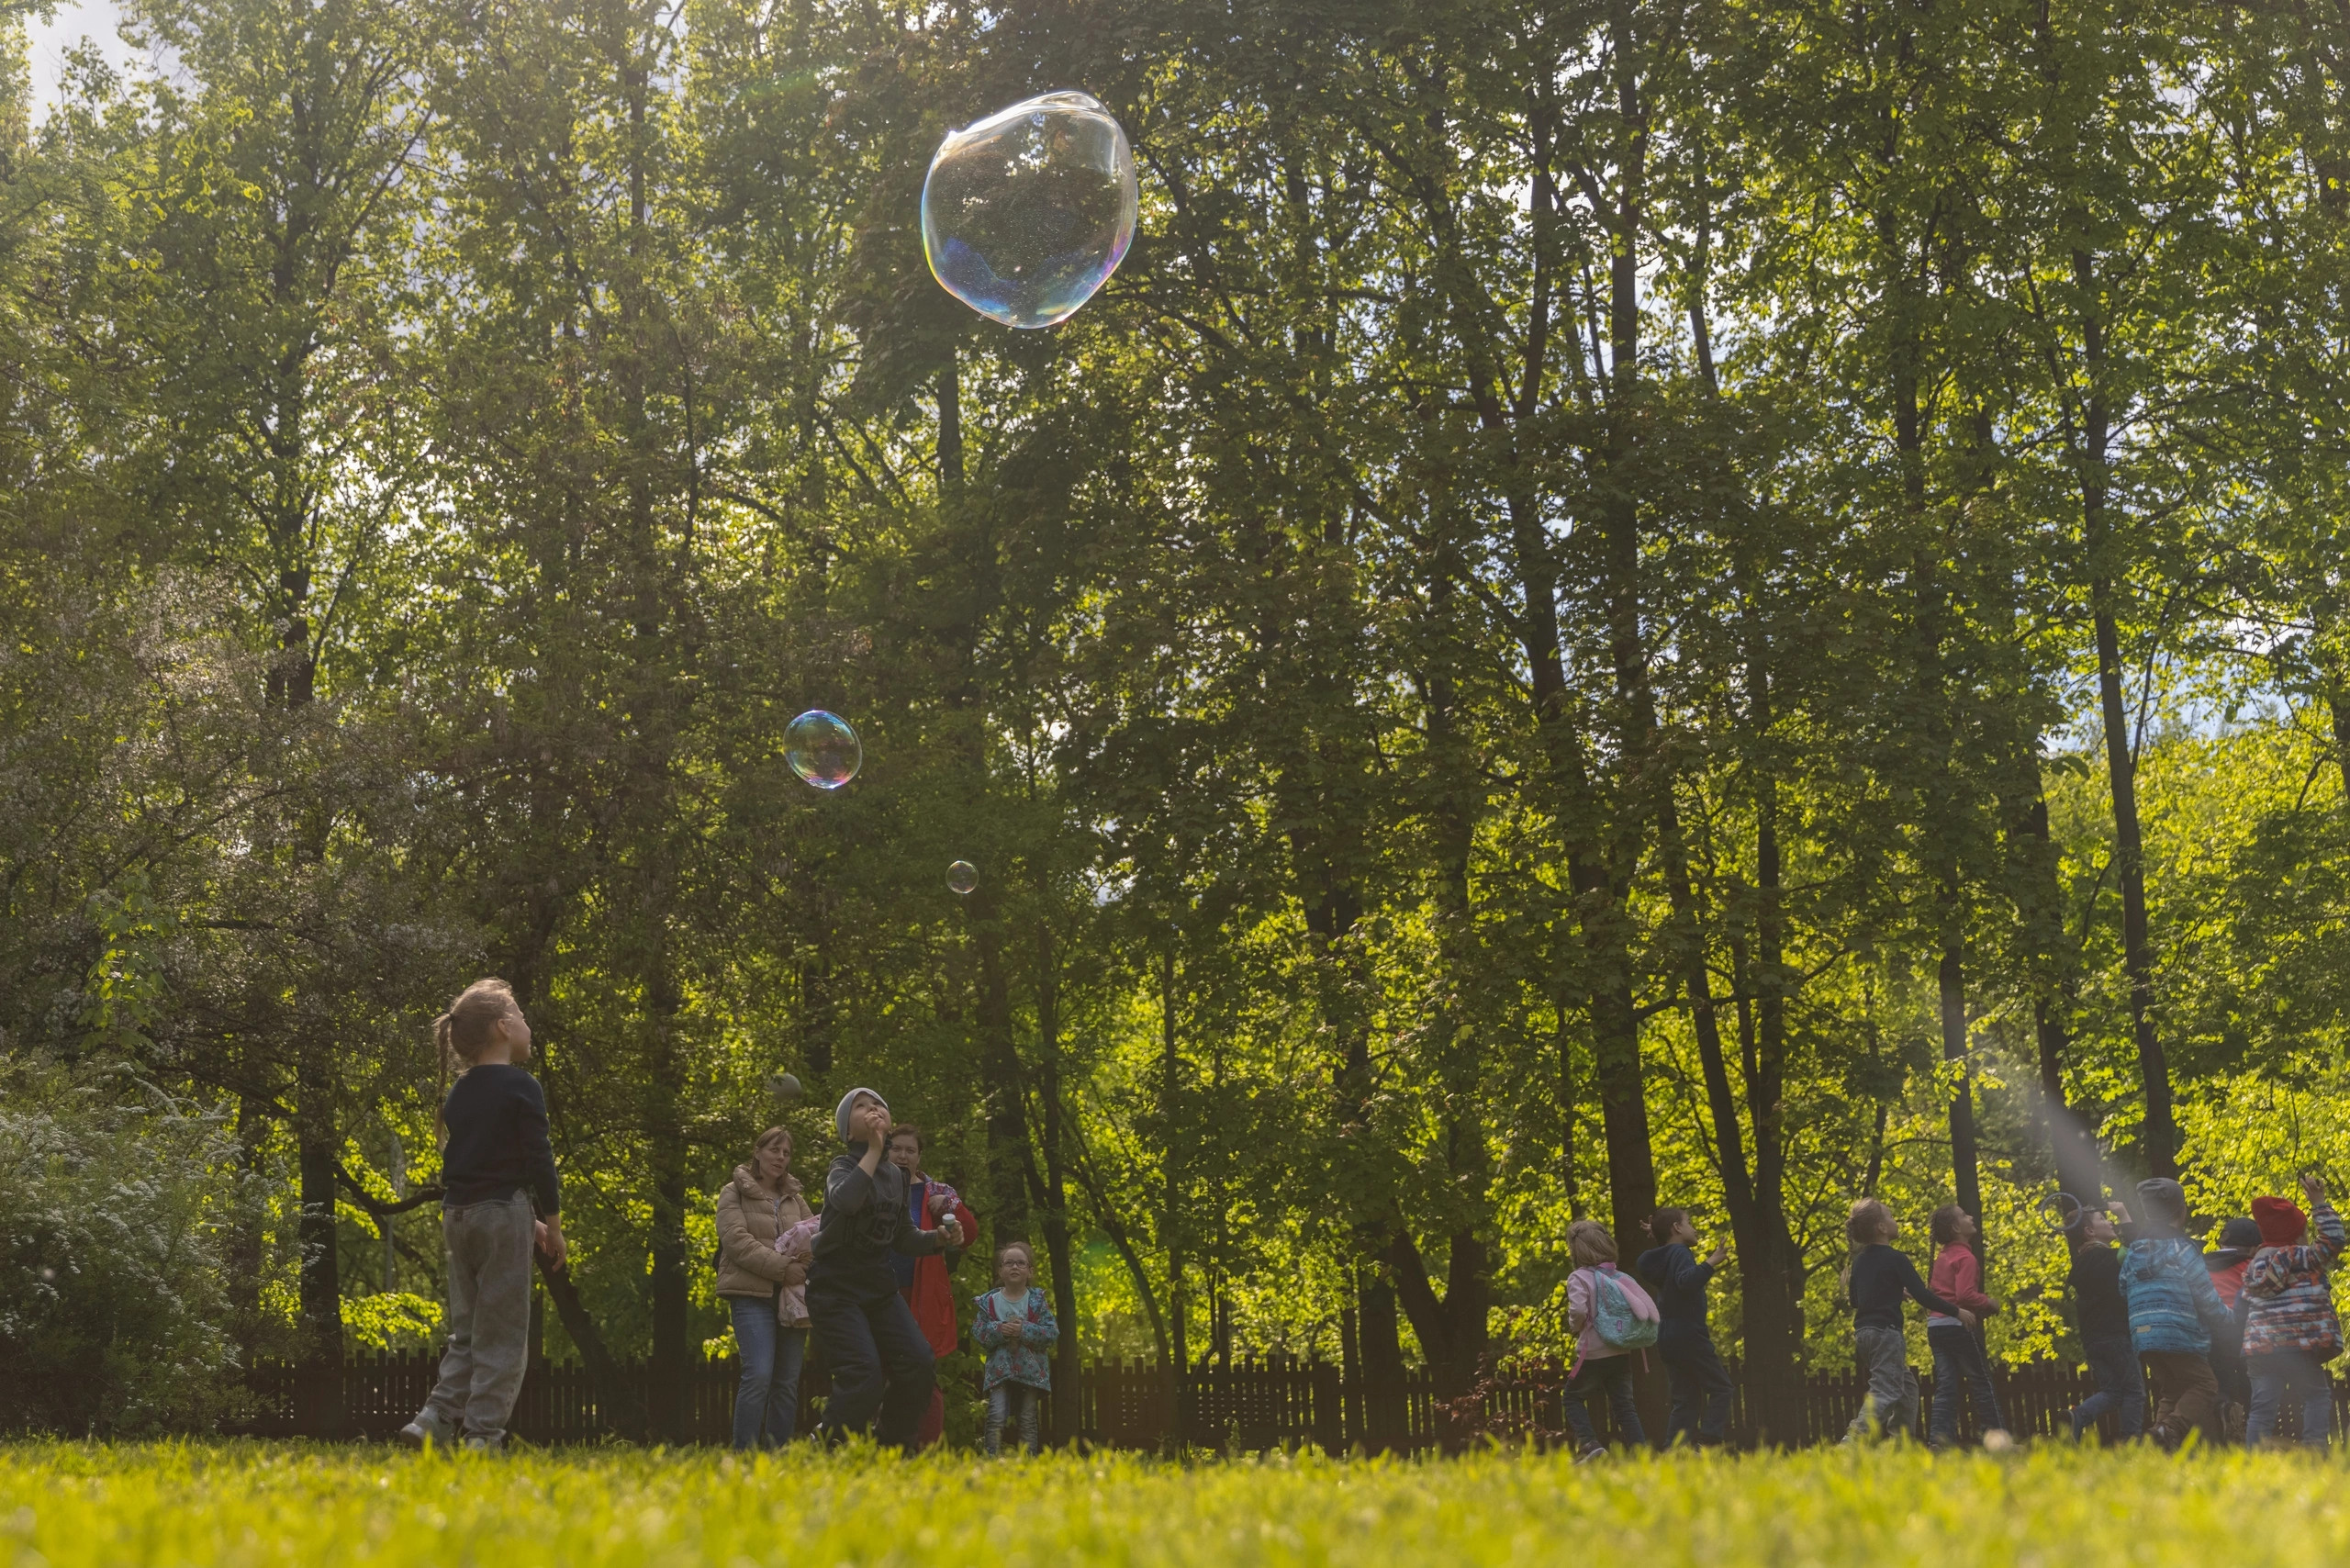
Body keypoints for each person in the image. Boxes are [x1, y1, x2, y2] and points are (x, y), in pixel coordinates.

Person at [399, 979, 565, 1451]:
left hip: (459, 1216)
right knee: (506, 1335)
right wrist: (551, 1224)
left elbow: (479, 1167)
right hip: (501, 1213)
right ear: (503, 1026)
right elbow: (538, 1159)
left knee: (468, 1331)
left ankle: (434, 1417)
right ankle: (482, 1437)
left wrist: (525, 1221)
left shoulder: (460, 1092)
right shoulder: (522, 1086)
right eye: (521, 1015)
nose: (528, 1025)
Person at [805, 1088, 962, 1450]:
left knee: (919, 1363)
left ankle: (891, 1445)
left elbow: (902, 1237)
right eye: (861, 1106)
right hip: (835, 1288)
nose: (872, 1108)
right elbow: (845, 1200)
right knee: (864, 1374)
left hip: (877, 1286)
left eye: (878, 1105)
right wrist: (874, 1151)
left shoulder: (896, 1177)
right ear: (848, 1132)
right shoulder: (842, 1167)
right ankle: (827, 1443)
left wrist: (937, 1239)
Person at [715, 1126, 817, 1450]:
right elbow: (736, 1242)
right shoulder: (733, 1192)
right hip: (750, 1295)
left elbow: (816, 1238)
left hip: (792, 1299)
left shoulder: (795, 1198)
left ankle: (777, 1456)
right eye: (774, 1150)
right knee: (758, 1374)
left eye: (786, 1153)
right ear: (758, 1152)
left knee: (786, 1382)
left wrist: (805, 1265)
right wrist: (783, 1268)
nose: (781, 1157)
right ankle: (743, 1455)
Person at [1841, 1199, 1970, 1442]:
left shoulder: (1860, 1261)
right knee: (1886, 1390)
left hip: (1864, 1334)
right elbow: (1923, 1295)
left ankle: (1900, 1447)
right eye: (1890, 1217)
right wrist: (1956, 1311)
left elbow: (1856, 1301)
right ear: (1880, 1227)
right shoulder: (1896, 1258)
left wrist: (1893, 1292)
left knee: (1907, 1388)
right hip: (1886, 1334)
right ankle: (1852, 1441)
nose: (1894, 1221)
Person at [2120, 1177, 2232, 1450]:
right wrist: (2231, 1319)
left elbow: (2123, 1287)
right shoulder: (2183, 1249)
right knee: (2206, 1384)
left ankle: (2157, 1446)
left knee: (2172, 1390)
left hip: (2144, 1335)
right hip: (2178, 1333)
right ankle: (2169, 1429)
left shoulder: (2134, 1251)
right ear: (2181, 1211)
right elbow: (2205, 1296)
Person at [885, 1124, 979, 1449]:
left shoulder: (935, 1191)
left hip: (922, 1297)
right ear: (885, 1151)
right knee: (875, 1374)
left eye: (910, 1150)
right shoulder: (871, 1185)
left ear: (919, 1156)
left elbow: (969, 1234)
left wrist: (948, 1205)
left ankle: (925, 1449)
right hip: (878, 1294)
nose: (902, 1155)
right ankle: (881, 1447)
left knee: (924, 1376)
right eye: (896, 1148)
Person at [2242, 1174, 2346, 1448]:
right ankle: (2314, 1450)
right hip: (2296, 1346)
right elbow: (2334, 1239)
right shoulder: (2302, 1258)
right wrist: (2319, 1203)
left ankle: (2253, 1459)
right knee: (2316, 1395)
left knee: (2262, 1408)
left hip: (2261, 1347)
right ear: (2296, 1234)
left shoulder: (2254, 1267)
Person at [1635, 1207, 1733, 1447]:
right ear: (1677, 1228)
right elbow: (1686, 1282)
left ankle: (1675, 1450)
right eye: (1689, 1223)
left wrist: (1660, 1236)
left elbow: (1653, 1263)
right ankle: (1709, 1442)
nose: (1695, 1228)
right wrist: (1712, 1261)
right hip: (1689, 1334)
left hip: (1668, 1336)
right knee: (1722, 1388)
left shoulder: (1666, 1255)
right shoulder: (1680, 1252)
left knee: (1685, 1399)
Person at [1561, 1219, 1656, 1462]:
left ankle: (1591, 1445)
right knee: (1624, 1405)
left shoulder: (1579, 1277)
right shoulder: (1618, 1276)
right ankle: (1641, 1453)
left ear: (1577, 1250)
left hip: (1593, 1352)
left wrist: (1575, 1327)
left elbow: (1579, 1312)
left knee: (1572, 1397)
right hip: (1621, 1351)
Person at [1924, 1204, 2012, 1451]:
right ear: (1955, 1228)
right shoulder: (1965, 1257)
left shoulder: (1943, 1257)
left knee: (1946, 1384)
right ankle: (1999, 1441)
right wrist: (1990, 1303)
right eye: (1964, 1215)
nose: (1970, 1216)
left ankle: (1939, 1441)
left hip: (1936, 1326)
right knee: (1981, 1381)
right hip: (1956, 1325)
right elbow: (1964, 1296)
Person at [2065, 1201, 2145, 1442]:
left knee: (2113, 1391)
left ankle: (2077, 1416)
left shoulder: (2079, 1265)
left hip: (2093, 1340)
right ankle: (2131, 1443)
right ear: (2089, 1231)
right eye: (2102, 1219)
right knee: (2135, 1391)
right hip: (2117, 1335)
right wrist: (2123, 1213)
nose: (2109, 1221)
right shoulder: (2110, 1258)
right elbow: (2136, 1247)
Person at [971, 1240, 1057, 1455]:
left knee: (1027, 1420)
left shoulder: (1037, 1302)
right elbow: (979, 1333)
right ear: (1000, 1270)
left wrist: (1024, 1330)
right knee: (996, 1416)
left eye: (1021, 1263)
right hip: (999, 1371)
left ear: (1030, 1271)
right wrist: (1001, 1330)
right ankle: (991, 1461)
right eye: (1009, 1262)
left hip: (1031, 1372)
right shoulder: (989, 1302)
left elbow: (1051, 1333)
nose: (1015, 1267)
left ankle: (1029, 1463)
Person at [2201, 1215, 2261, 1434]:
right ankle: (2250, 1429)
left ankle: (2222, 1422)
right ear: (2255, 1248)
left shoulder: (2201, 1264)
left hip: (2212, 1331)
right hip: (2244, 1330)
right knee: (2250, 1381)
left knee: (2221, 1383)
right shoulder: (2252, 1265)